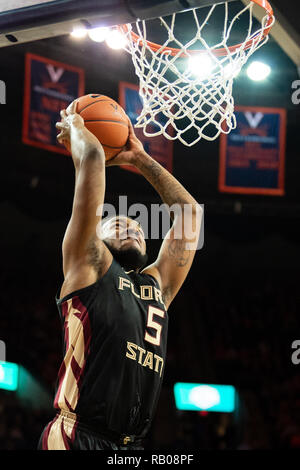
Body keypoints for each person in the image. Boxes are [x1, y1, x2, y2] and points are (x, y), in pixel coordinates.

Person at [38, 100, 202, 450]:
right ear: (96, 236)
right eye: (117, 223)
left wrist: (139, 157)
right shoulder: (89, 266)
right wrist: (78, 128)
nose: (131, 227)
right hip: (78, 434)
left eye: (138, 226)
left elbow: (190, 215)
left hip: (131, 445)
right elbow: (94, 159)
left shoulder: (157, 286)